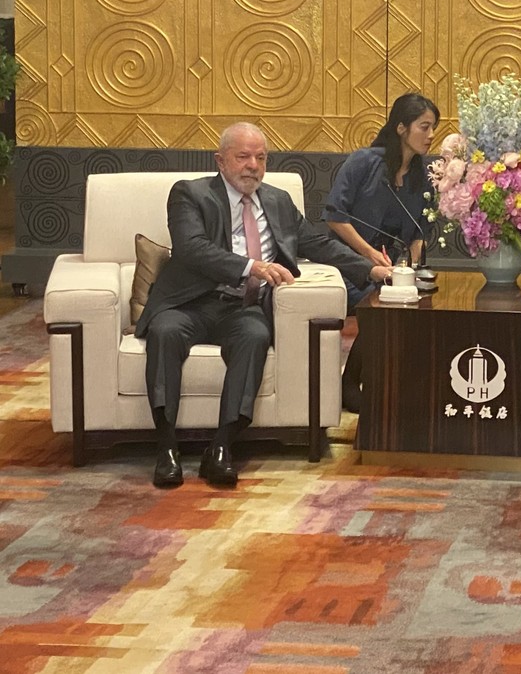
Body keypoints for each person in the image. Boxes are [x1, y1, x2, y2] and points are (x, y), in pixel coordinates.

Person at [135, 122, 391, 489]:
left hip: (243, 307)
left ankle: (222, 446)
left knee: (255, 337)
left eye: (260, 157)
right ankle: (166, 447)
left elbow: (318, 244)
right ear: (220, 161)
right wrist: (251, 267)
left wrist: (372, 269)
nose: (252, 165)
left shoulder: (278, 201)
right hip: (189, 303)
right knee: (165, 332)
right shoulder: (190, 194)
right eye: (243, 157)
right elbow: (192, 248)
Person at [322, 93, 439, 413]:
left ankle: (382, 383)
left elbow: (418, 234)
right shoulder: (364, 161)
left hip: (387, 269)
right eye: (424, 127)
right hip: (344, 263)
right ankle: (351, 383)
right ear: (401, 127)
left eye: (433, 128)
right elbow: (335, 217)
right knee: (380, 301)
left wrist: (409, 267)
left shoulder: (422, 175)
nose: (431, 136)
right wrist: (369, 254)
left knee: (407, 299)